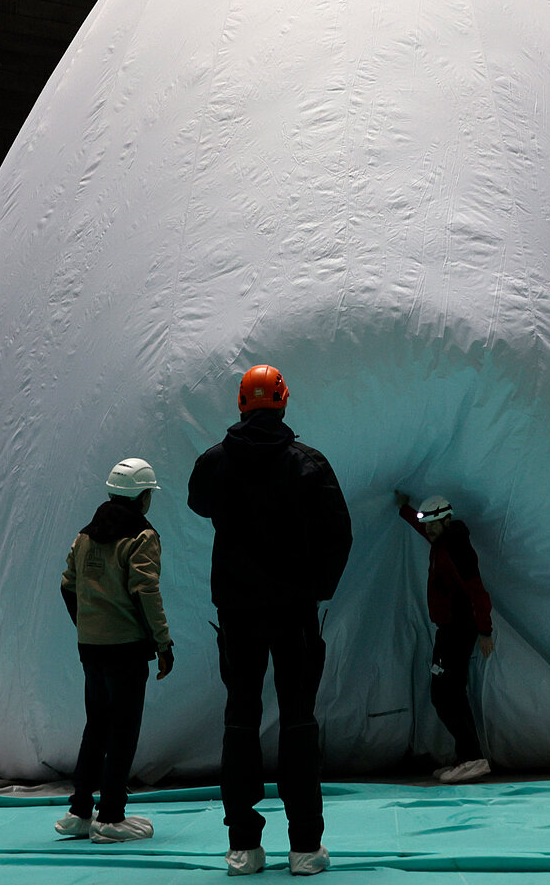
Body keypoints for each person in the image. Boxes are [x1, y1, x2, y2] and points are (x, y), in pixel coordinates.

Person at [189, 365, 352, 877]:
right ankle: (304, 845)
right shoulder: (309, 464)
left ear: (241, 404)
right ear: (284, 403)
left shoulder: (215, 463)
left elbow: (198, 503)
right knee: (299, 721)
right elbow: (339, 534)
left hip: (238, 613)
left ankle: (244, 846)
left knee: (240, 720)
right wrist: (316, 588)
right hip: (293, 612)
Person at [55, 457, 176, 843]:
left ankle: (79, 812)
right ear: (143, 496)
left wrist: (88, 626)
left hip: (91, 647)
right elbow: (145, 592)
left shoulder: (85, 535)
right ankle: (110, 817)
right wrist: (162, 641)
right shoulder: (142, 536)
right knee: (123, 731)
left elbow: (67, 586)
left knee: (96, 727)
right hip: (125, 649)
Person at [394, 490, 495, 783]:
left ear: (446, 521)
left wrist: (485, 632)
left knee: (447, 695)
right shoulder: (442, 541)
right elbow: (423, 527)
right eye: (427, 526)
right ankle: (467, 756)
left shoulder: (457, 549)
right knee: (447, 693)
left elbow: (478, 592)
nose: (428, 530)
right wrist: (405, 510)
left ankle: (473, 757)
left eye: (433, 525)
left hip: (458, 631)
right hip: (447, 631)